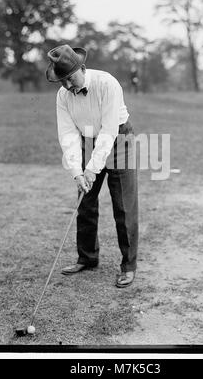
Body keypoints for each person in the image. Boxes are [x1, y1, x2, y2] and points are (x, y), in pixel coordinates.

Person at [46, 44, 138, 288]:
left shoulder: (108, 84)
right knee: (85, 202)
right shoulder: (63, 95)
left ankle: (128, 265)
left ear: (82, 68)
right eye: (62, 81)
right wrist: (78, 172)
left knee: (123, 207)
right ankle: (87, 258)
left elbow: (109, 130)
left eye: (70, 78)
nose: (67, 86)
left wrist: (92, 169)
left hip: (118, 139)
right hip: (87, 140)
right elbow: (67, 134)